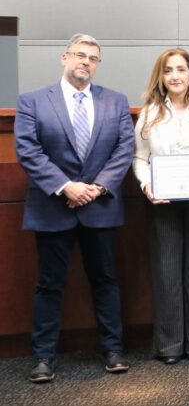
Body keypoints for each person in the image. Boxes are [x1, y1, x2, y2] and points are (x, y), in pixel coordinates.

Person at [14, 34, 134, 383]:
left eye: (93, 58)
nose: (85, 62)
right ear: (64, 58)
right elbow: (28, 150)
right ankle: (43, 357)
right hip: (54, 207)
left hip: (101, 206)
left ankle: (113, 350)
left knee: (106, 280)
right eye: (79, 55)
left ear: (98, 64)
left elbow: (123, 150)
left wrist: (95, 188)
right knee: (49, 284)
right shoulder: (33, 101)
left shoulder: (115, 101)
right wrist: (67, 186)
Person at [133, 48, 189, 364]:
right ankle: (170, 345)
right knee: (167, 271)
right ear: (161, 76)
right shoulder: (149, 113)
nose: (175, 76)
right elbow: (140, 158)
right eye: (169, 70)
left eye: (181, 70)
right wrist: (147, 184)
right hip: (163, 202)